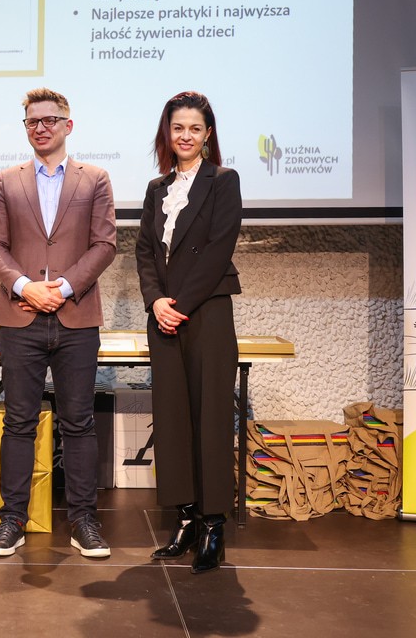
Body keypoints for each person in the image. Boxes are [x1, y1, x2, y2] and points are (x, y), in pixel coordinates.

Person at [0, 88, 117, 558]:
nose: (40, 127)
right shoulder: (7, 180)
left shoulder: (94, 179)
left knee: (78, 422)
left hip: (77, 317)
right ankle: (12, 520)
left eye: (49, 120)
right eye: (32, 121)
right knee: (18, 422)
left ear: (67, 125)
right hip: (20, 317)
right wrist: (25, 287)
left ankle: (83, 521)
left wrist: (62, 288)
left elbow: (105, 244)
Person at [135, 90, 242, 574]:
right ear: (168, 133)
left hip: (207, 312)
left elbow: (220, 249)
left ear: (207, 134)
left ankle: (213, 524)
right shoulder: (156, 188)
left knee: (211, 416)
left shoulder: (223, 180)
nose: (185, 135)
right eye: (178, 128)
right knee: (173, 417)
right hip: (164, 314)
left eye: (195, 128)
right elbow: (144, 250)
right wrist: (156, 301)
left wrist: (178, 305)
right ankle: (184, 520)